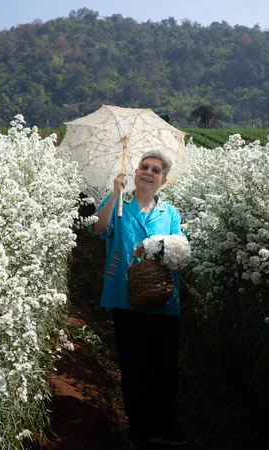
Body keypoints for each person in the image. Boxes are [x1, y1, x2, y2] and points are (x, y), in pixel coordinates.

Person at [88, 150, 189, 449]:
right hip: (125, 297)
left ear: (164, 180)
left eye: (155, 170)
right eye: (143, 167)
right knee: (135, 370)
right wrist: (114, 193)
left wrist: (157, 248)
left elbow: (180, 249)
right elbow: (97, 231)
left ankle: (162, 428)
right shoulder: (118, 203)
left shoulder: (170, 213)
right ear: (134, 172)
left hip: (162, 300)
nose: (148, 172)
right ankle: (139, 435)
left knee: (166, 369)